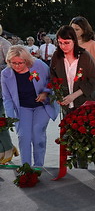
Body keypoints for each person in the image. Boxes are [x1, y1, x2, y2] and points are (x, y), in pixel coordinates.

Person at [1, 45, 59, 166]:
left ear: (27, 60)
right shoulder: (5, 74)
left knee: (37, 135)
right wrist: (11, 117)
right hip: (22, 108)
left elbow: (52, 80)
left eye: (20, 63)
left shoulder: (39, 65)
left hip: (41, 106)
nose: (17, 66)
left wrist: (45, 92)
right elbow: (7, 99)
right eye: (13, 63)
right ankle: (26, 166)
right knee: (24, 137)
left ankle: (38, 165)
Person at [50, 25, 95, 115]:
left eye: (67, 43)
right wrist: (58, 94)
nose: (63, 46)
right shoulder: (57, 57)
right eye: (60, 43)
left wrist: (73, 95)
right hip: (66, 104)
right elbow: (53, 76)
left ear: (74, 41)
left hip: (85, 102)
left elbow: (93, 80)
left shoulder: (85, 56)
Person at [0, 24, 17, 164]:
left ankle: (6, 149)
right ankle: (7, 147)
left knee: (0, 119)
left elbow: (11, 64)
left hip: (1, 87)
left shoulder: (4, 43)